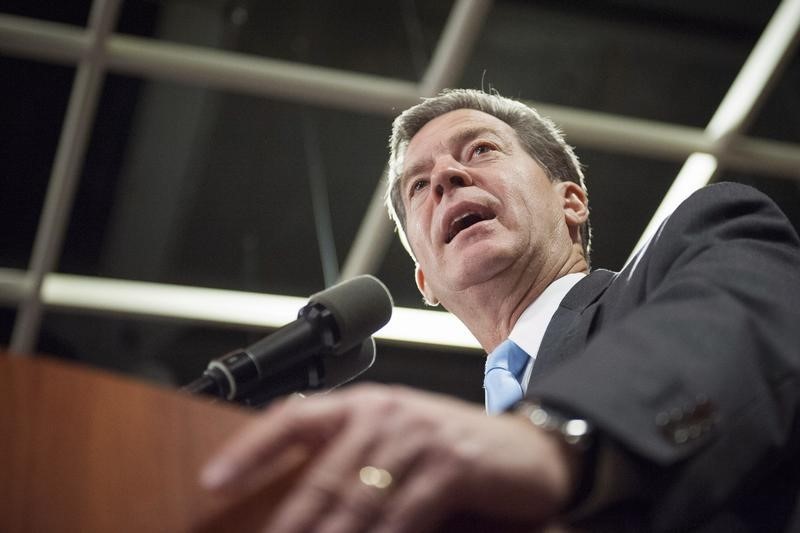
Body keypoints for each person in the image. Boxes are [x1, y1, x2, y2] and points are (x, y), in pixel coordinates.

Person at [200, 89, 800, 532]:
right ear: (425, 280)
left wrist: (556, 440)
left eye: (481, 150)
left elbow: (752, 315)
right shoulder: (451, 464)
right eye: (418, 186)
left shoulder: (688, 247)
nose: (447, 178)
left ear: (572, 201)